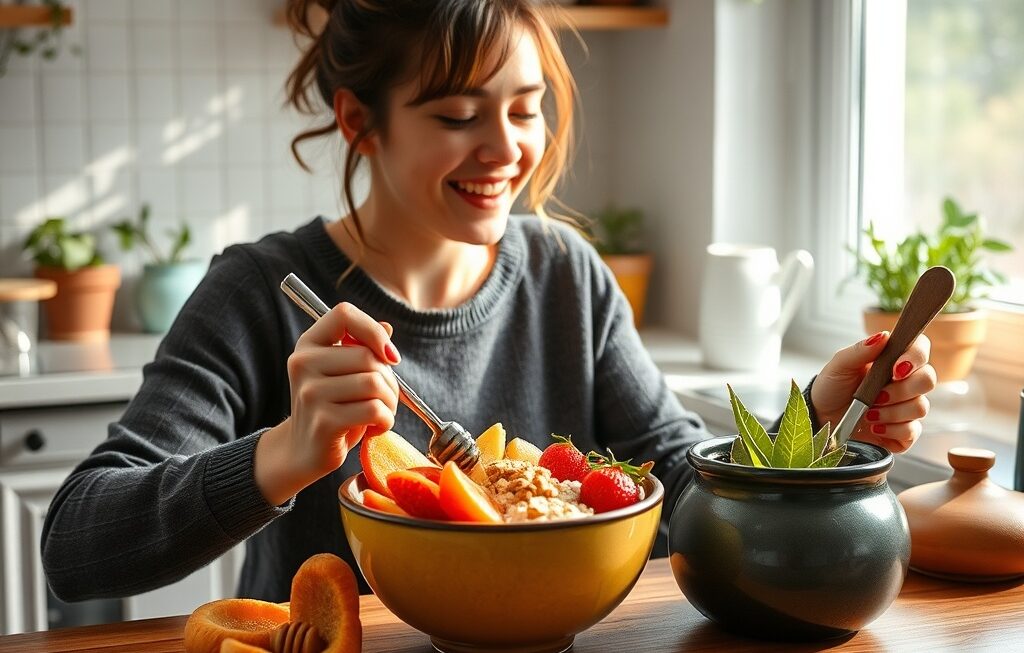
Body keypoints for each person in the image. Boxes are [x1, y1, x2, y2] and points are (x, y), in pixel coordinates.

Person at [41, 0, 936, 603]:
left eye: (525, 107)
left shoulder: (565, 275)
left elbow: (674, 491)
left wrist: (817, 419)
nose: (505, 149)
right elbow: (78, 544)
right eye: (457, 115)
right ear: (360, 121)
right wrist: (281, 454)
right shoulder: (256, 292)